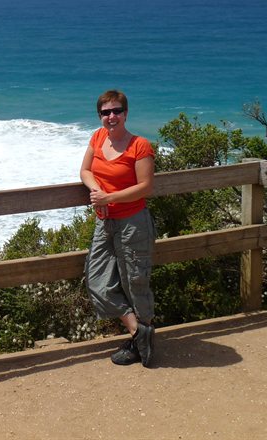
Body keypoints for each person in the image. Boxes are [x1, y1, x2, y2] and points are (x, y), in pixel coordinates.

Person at [80, 89, 157, 367]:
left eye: (116, 111)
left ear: (125, 113)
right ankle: (139, 332)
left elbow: (145, 187)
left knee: (135, 281)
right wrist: (97, 191)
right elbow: (85, 171)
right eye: (105, 112)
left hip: (133, 223)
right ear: (100, 116)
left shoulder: (140, 145)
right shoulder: (98, 137)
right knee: (97, 280)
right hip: (105, 222)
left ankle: (140, 344)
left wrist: (108, 198)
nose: (111, 116)